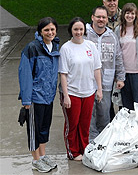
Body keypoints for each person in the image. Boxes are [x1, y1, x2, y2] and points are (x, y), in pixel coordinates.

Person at [18, 17, 59, 172]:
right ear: (40, 31)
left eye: (52, 29)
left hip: (48, 97)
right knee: (34, 130)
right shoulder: (32, 48)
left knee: (44, 128)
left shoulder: (55, 47)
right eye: (46, 30)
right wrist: (26, 99)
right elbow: (25, 74)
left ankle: (43, 156)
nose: (50, 32)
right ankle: (35, 160)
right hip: (35, 97)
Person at [58, 17, 103, 161]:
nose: (78, 32)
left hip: (88, 91)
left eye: (81, 29)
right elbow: (63, 74)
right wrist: (66, 95)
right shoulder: (66, 48)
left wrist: (99, 89)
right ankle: (73, 151)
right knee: (73, 125)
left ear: (85, 30)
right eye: (75, 29)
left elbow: (97, 69)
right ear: (71, 30)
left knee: (85, 125)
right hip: (72, 93)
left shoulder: (90, 45)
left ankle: (84, 149)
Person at [86, 6, 125, 140]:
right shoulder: (85, 34)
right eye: (98, 17)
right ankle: (91, 139)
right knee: (90, 113)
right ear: (93, 18)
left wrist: (120, 77)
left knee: (104, 112)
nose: (101, 20)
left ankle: (104, 139)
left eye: (104, 17)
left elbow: (118, 58)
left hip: (106, 82)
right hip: (87, 82)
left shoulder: (112, 37)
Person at [115, 3, 138, 114]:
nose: (130, 16)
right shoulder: (118, 29)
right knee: (126, 103)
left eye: (132, 13)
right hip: (124, 73)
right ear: (123, 14)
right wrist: (118, 74)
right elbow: (117, 53)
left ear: (136, 15)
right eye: (127, 13)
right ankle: (130, 127)